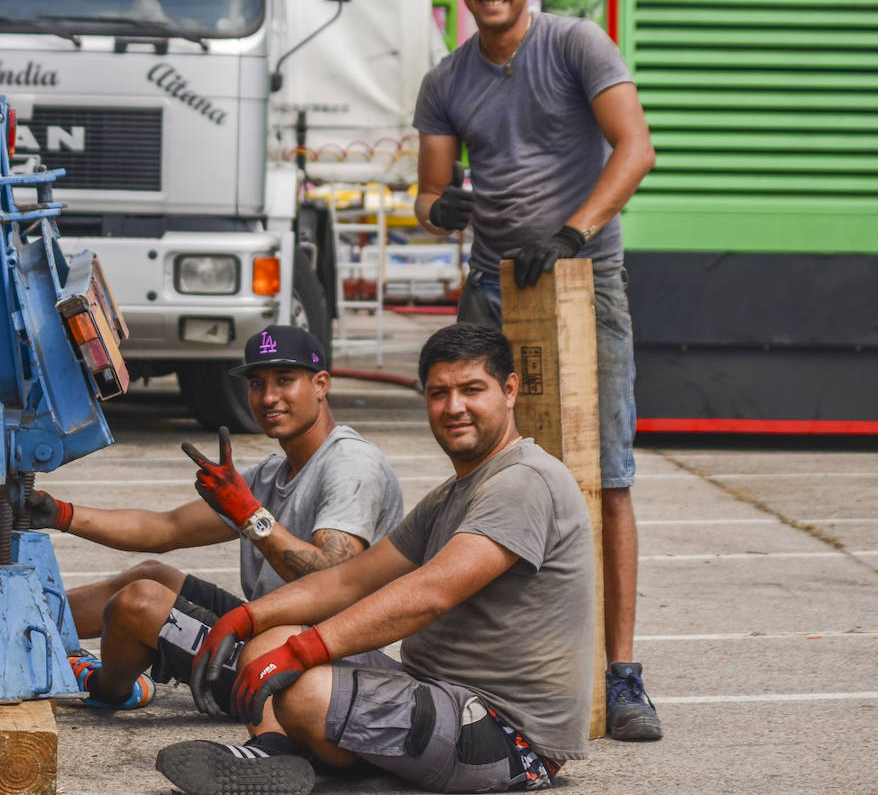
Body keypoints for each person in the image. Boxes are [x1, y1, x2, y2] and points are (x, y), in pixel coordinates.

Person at [411, 0, 660, 740]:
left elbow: (635, 148)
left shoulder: (577, 45)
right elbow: (428, 197)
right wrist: (440, 208)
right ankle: (490, 660)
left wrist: (574, 232)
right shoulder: (446, 79)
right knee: (483, 471)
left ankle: (621, 677)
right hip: (493, 287)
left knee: (608, 474)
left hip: (585, 277)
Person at [156, 323, 594, 795]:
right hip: (438, 693)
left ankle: (319, 757)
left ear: (509, 391)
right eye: (439, 393)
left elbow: (430, 594)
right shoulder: (454, 493)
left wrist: (304, 652)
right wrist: (244, 619)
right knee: (271, 637)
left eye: (471, 390)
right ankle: (278, 757)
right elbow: (350, 581)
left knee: (304, 691)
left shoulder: (524, 480)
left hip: (506, 734)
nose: (454, 408)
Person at [0, 324, 404, 712]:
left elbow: (330, 580)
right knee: (149, 576)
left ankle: (108, 688)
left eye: (285, 380)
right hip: (269, 630)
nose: (268, 397)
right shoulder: (276, 469)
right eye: (258, 383)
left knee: (138, 604)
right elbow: (166, 529)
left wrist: (249, 514)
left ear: (322, 384)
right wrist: (61, 514)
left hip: (307, 671)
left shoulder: (350, 466)